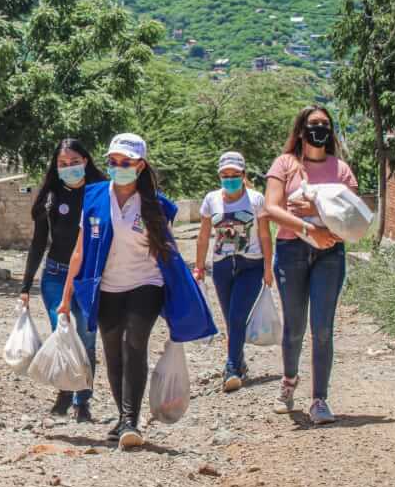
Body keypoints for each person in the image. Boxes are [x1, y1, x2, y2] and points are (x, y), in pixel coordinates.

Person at [60, 133, 217, 449]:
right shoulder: (92, 197)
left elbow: (168, 254)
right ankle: (123, 417)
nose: (119, 167)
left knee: (135, 343)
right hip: (107, 287)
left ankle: (131, 421)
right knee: (113, 352)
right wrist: (66, 298)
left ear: (140, 165)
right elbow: (79, 251)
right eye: (113, 162)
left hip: (147, 284)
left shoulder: (157, 206)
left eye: (126, 163)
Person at [264, 105, 357, 425]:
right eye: (314, 124)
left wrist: (314, 208)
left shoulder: (341, 169)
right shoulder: (285, 164)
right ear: (301, 130)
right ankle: (289, 382)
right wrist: (309, 228)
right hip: (292, 250)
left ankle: (320, 399)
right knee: (294, 327)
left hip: (330, 253)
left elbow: (354, 216)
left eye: (326, 124)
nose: (321, 129)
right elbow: (271, 209)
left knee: (322, 328)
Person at [19, 139, 107, 422]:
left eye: (74, 163)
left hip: (90, 278)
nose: (68, 168)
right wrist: (25, 286)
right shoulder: (51, 198)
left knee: (87, 339)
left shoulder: (101, 194)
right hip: (56, 276)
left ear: (86, 161)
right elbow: (37, 244)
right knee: (64, 333)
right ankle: (65, 391)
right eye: (62, 164)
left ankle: (82, 401)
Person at [193, 151, 273, 392]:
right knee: (230, 320)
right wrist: (199, 267)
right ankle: (239, 362)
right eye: (225, 175)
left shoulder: (256, 199)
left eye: (234, 175)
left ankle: (231, 368)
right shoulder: (211, 199)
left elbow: (265, 234)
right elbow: (204, 235)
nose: (229, 179)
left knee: (238, 316)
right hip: (222, 267)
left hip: (251, 265)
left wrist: (268, 267)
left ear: (243, 175)